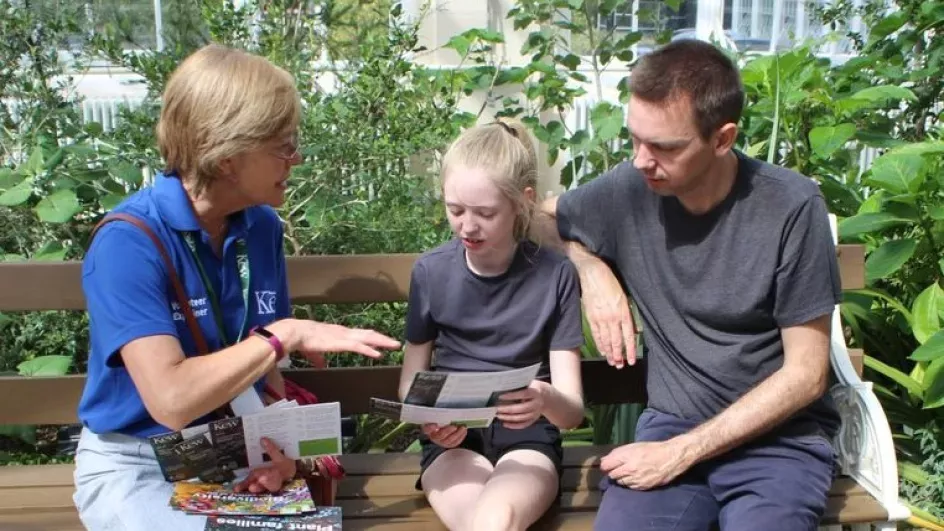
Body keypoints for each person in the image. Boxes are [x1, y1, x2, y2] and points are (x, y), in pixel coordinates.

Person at [73, 44, 401, 530]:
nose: (298, 157)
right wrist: (282, 337)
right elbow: (171, 401)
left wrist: (278, 457)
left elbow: (263, 377)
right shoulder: (128, 242)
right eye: (283, 146)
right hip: (138, 465)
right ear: (227, 156)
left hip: (231, 454)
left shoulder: (260, 226)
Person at [535, 39, 841, 530]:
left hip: (778, 444)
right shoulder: (630, 190)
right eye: (635, 139)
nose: (640, 160)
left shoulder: (790, 208)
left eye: (664, 147)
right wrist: (589, 269)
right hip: (671, 424)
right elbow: (539, 219)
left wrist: (680, 453)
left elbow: (807, 374)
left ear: (722, 139)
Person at [399, 119, 586, 531]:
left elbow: (571, 412)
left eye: (485, 213)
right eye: (455, 210)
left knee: (495, 519)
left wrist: (543, 396)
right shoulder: (431, 272)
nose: (467, 225)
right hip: (452, 442)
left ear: (523, 201)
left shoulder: (554, 275)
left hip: (528, 439)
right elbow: (410, 382)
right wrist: (428, 420)